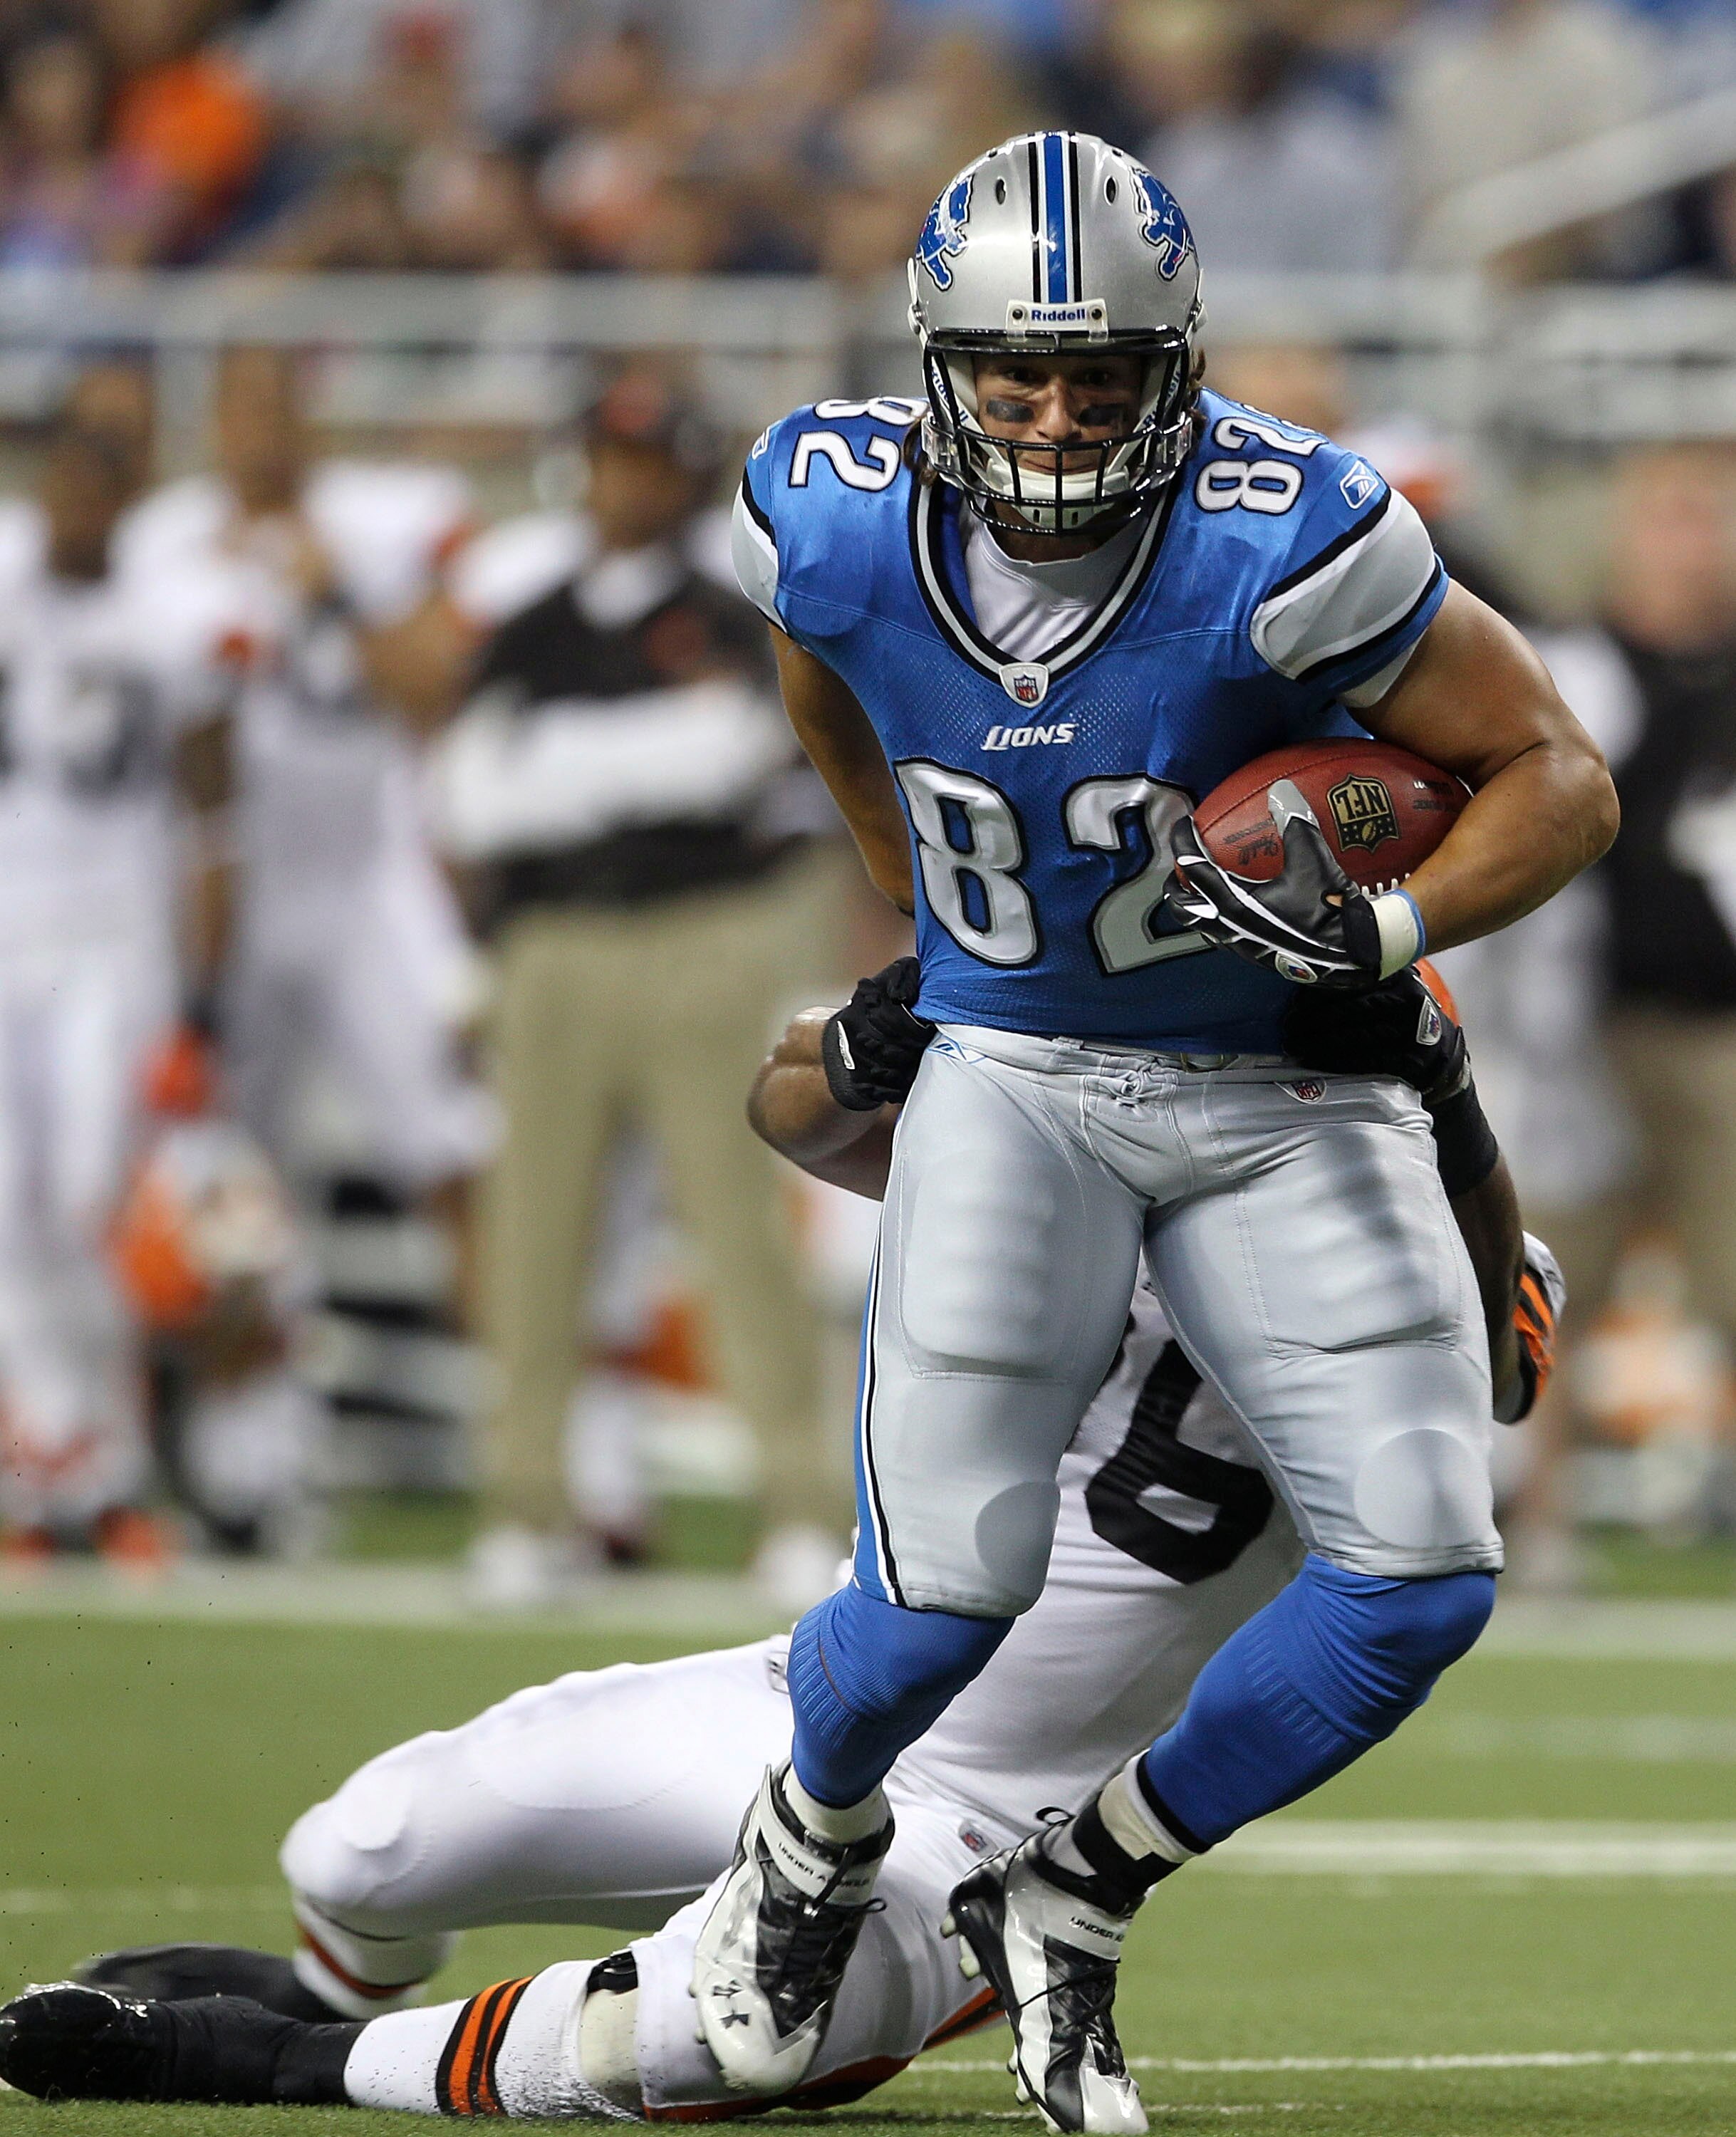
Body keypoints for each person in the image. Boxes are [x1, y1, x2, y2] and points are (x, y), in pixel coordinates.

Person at [696, 130, 1616, 2133]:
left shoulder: (1284, 536)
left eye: (1096, 373)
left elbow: (1555, 772)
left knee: (1418, 1574)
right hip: (1015, 1067)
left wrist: (1384, 920)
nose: (1050, 412)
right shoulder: (831, 521)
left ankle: (1080, 1887)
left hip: (1271, 1079)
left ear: (1168, 369)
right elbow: (830, 698)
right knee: (942, 1594)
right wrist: (924, 923)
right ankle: (803, 1831)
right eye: (1013, 374)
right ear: (936, 367)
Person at [0, 964, 1564, 2116]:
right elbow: (797, 1111)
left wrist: (1452, 1105)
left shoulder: (1406, 1237)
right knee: (363, 1844)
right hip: (812, 1704)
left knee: (687, 2043)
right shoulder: (1052, 1123)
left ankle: (275, 2062)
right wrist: (901, 1023)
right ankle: (329, 1991)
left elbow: (1499, 1369)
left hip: (985, 1832)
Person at [430, 366, 844, 1611]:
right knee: (533, 1237)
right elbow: (465, 794)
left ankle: (797, 1501)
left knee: (735, 1232)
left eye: (651, 462)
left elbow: (723, 758)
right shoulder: (534, 617)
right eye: (612, 459)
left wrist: (562, 769)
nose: (629, 484)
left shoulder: (725, 617)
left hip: (698, 939)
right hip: (553, 944)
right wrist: (618, 771)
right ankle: (527, 1502)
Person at [0, 412, 237, 1561]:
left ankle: (108, 1455)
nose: (71, 513)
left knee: (91, 1199)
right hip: (5, 937)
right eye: (59, 489)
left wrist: (202, 995)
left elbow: (216, 813)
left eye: (97, 494)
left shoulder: (169, 619)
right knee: (7, 1200)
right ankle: (49, 1462)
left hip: (114, 944)